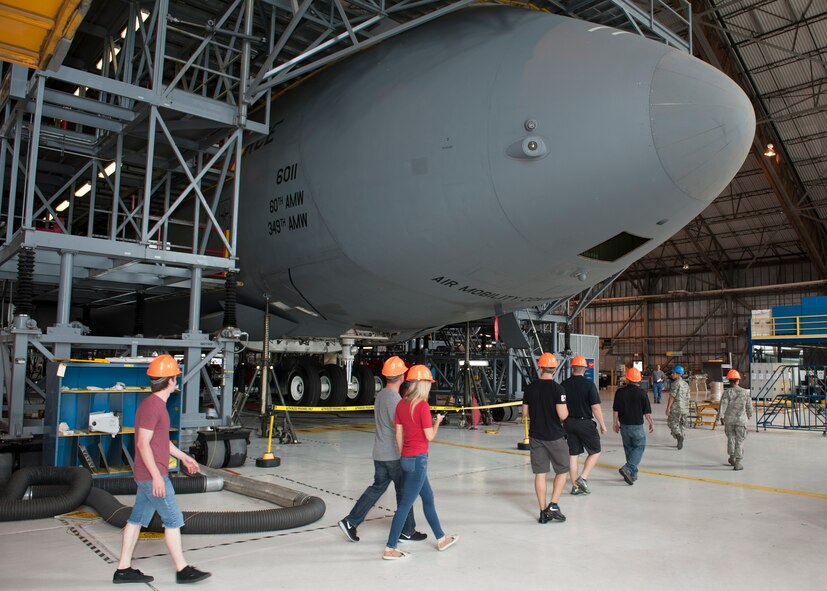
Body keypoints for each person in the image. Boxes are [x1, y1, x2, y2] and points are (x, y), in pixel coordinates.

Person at [113, 354, 211, 585]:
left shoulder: (156, 406)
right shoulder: (153, 407)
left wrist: (185, 457)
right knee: (174, 520)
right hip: (152, 475)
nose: (176, 381)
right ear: (170, 381)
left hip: (148, 474)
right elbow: (142, 444)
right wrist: (157, 477)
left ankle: (123, 569)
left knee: (136, 519)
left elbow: (161, 442)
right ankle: (182, 570)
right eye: (175, 377)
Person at [339, 356, 426, 543]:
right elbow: (399, 430)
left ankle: (351, 522)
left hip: (379, 452)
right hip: (393, 455)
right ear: (402, 376)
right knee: (405, 491)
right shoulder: (395, 400)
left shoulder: (381, 395)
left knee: (377, 488)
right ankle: (407, 530)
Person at [382, 365, 458, 560]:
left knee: (428, 498)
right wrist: (438, 421)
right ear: (423, 384)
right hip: (419, 461)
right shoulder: (422, 406)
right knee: (405, 506)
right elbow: (429, 436)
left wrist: (403, 455)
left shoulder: (401, 404)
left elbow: (398, 434)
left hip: (407, 459)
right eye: (428, 383)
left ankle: (441, 538)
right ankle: (390, 547)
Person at [521, 353, 569, 523]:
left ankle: (543, 511)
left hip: (535, 436)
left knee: (540, 473)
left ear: (540, 368)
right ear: (554, 369)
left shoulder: (530, 388)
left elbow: (524, 414)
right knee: (562, 470)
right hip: (555, 436)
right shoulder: (558, 389)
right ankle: (553, 506)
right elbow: (563, 415)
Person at [560, 355, 607, 495]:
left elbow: (560, 406)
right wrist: (603, 425)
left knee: (573, 454)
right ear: (585, 369)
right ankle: (583, 478)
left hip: (568, 423)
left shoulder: (564, 384)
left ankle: (575, 486)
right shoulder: (589, 385)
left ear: (572, 368)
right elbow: (596, 408)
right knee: (595, 450)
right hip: (584, 422)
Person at [613, 367, 655, 484]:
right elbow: (646, 412)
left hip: (624, 426)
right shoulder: (642, 393)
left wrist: (615, 423)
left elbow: (616, 410)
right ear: (639, 380)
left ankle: (632, 474)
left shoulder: (620, 392)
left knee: (629, 448)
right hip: (636, 426)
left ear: (627, 378)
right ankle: (627, 468)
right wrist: (651, 423)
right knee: (639, 447)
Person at [716, 369, 753, 470]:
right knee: (739, 440)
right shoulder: (745, 392)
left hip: (729, 420)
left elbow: (722, 406)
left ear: (729, 381)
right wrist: (749, 415)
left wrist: (718, 417)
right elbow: (749, 406)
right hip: (741, 420)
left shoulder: (727, 393)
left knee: (731, 438)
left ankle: (731, 457)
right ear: (738, 380)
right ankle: (738, 462)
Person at [665, 365, 690, 450]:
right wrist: (687, 407)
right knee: (682, 425)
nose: (672, 374)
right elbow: (688, 397)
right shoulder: (686, 384)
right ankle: (680, 439)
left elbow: (672, 396)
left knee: (671, 422)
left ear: (679, 374)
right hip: (685, 408)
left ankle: (679, 436)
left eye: (673, 373)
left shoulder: (675, 383)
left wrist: (668, 408)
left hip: (676, 408)